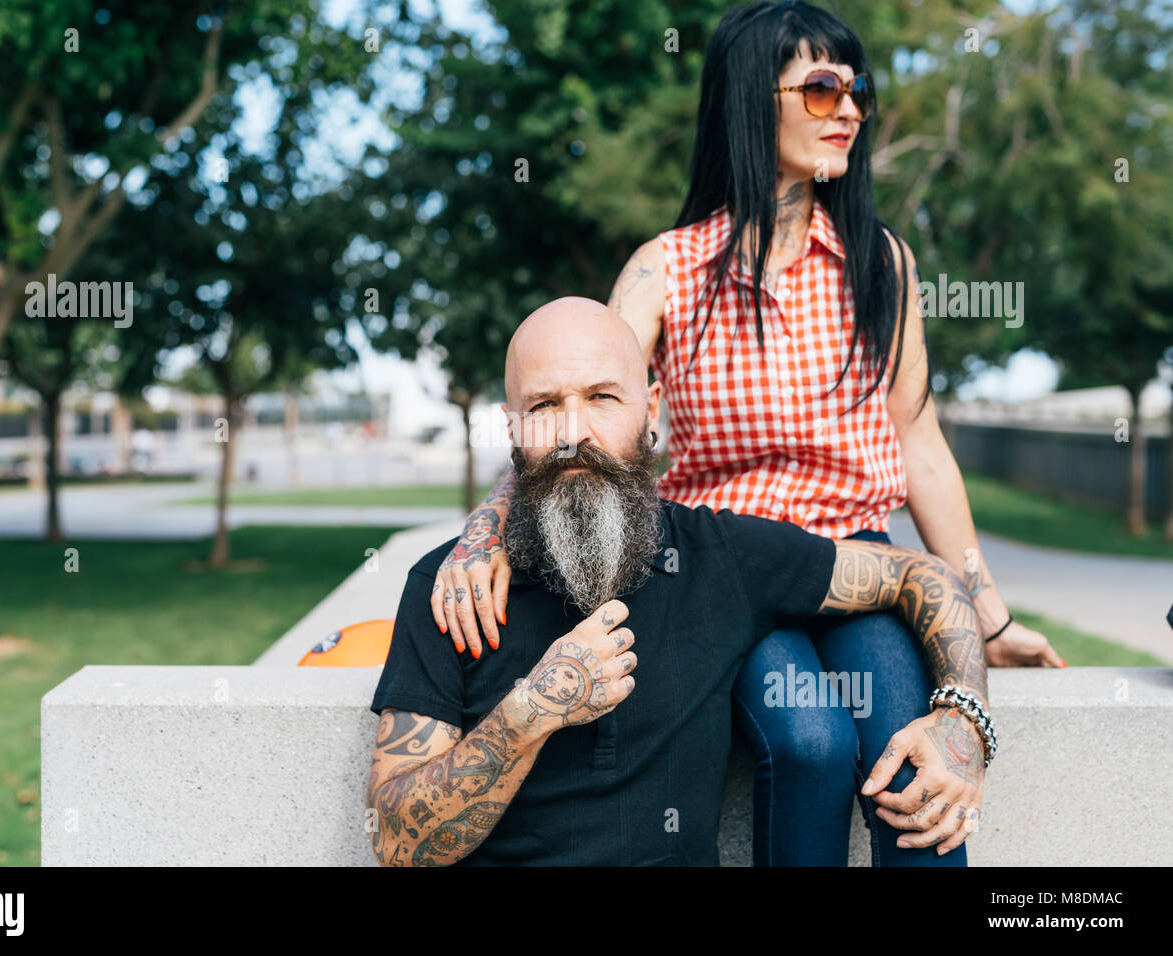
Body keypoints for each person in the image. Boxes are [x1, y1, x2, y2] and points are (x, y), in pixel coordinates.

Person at [428, 1, 1059, 867]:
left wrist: (988, 616)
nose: (851, 111)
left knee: (911, 766)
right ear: (749, 102)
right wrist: (483, 533)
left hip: (859, 563)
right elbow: (584, 417)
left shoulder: (884, 263)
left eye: (858, 90)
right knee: (807, 743)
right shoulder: (668, 268)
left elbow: (921, 444)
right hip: (724, 569)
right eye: (825, 87)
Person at [367, 303, 994, 866]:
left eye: (603, 398)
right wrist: (531, 712)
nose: (571, 432)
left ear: (653, 409)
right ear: (512, 427)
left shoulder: (719, 556)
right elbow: (398, 845)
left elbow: (921, 574)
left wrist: (963, 722)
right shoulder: (454, 588)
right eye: (544, 405)